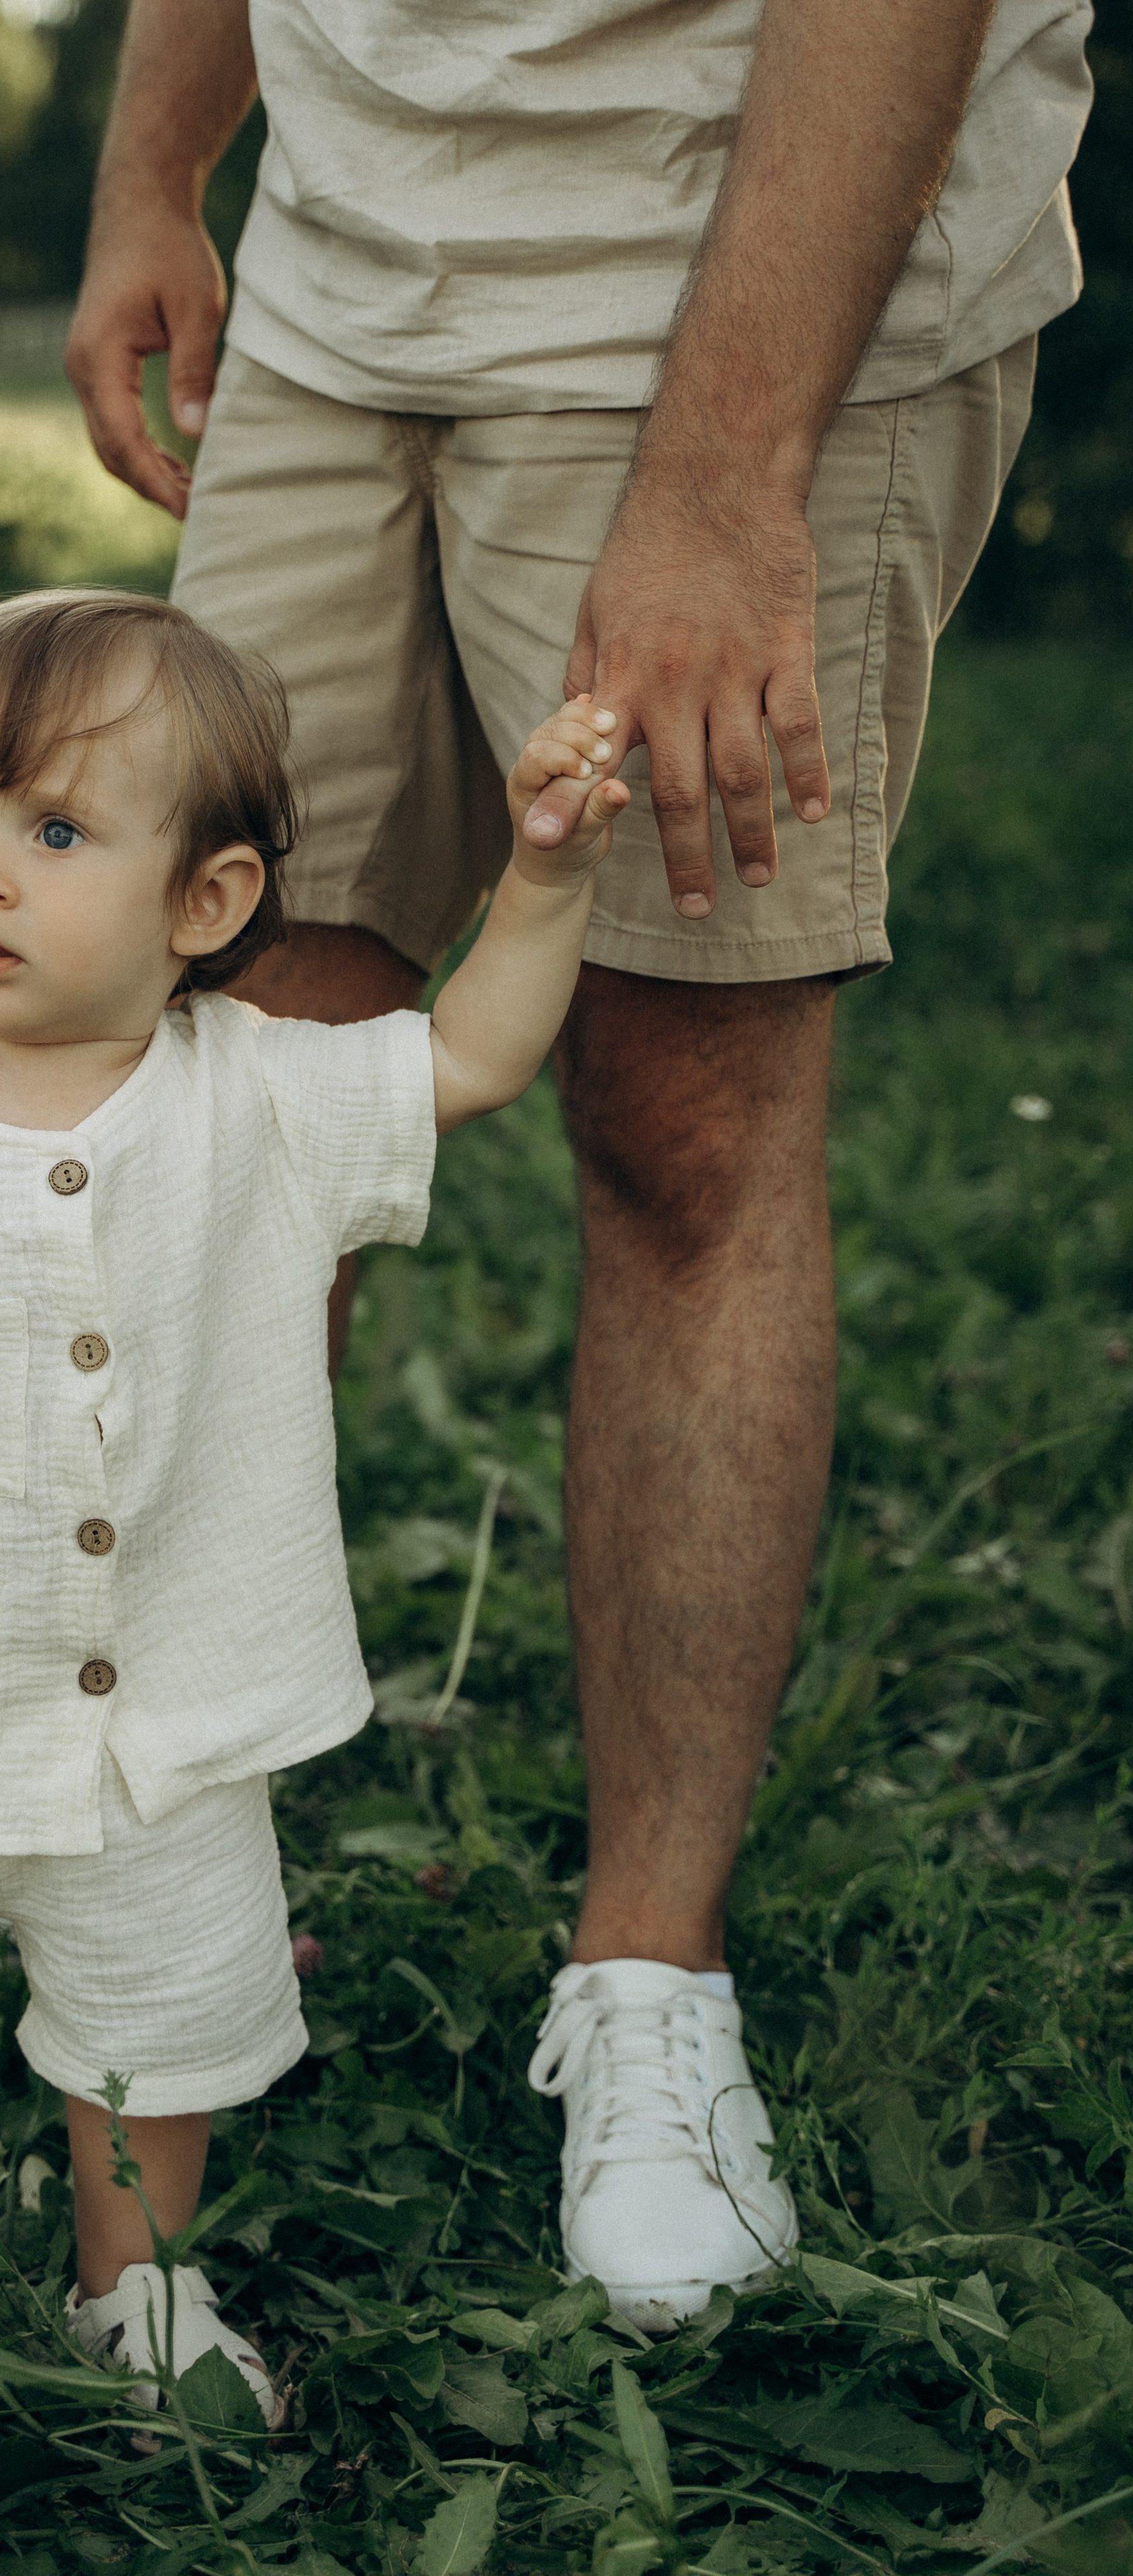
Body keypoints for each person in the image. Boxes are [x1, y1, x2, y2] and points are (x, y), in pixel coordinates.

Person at [63, 0, 1093, 2322]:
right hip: (343, 269)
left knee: (680, 1131)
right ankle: (139, 1866)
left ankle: (651, 1983)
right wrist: (157, 169)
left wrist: (730, 473)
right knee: (227, 1077)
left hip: (728, 285)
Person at [0, 587, 635, 2412]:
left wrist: (546, 880)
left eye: (55, 832)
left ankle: (140, 2290)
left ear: (210, 904)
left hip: (157, 1728)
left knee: (153, 2046)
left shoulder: (265, 1102)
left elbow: (473, 1057)